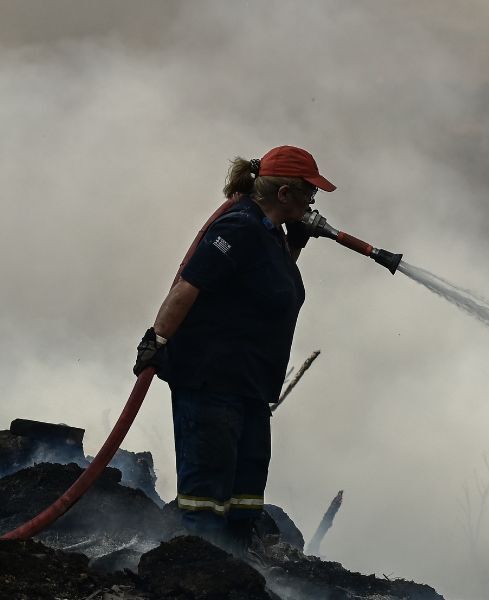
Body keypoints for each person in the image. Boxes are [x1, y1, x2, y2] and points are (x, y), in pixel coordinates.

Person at [133, 145, 335, 553]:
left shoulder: (269, 233)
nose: (313, 203)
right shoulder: (238, 227)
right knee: (206, 494)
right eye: (309, 193)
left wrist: (294, 245)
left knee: (245, 496)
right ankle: (194, 567)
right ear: (284, 194)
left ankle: (235, 565)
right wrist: (158, 339)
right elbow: (189, 285)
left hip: (249, 385)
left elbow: (266, 286)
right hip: (212, 380)